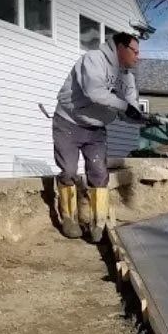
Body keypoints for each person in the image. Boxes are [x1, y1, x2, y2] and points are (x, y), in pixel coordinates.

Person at [52, 32, 151, 241]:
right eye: (135, 51)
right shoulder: (93, 60)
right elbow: (94, 92)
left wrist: (142, 119)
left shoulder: (128, 78)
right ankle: (69, 219)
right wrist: (126, 107)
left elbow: (127, 112)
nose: (138, 57)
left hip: (96, 129)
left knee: (99, 173)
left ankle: (98, 223)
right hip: (69, 122)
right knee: (69, 170)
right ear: (120, 48)